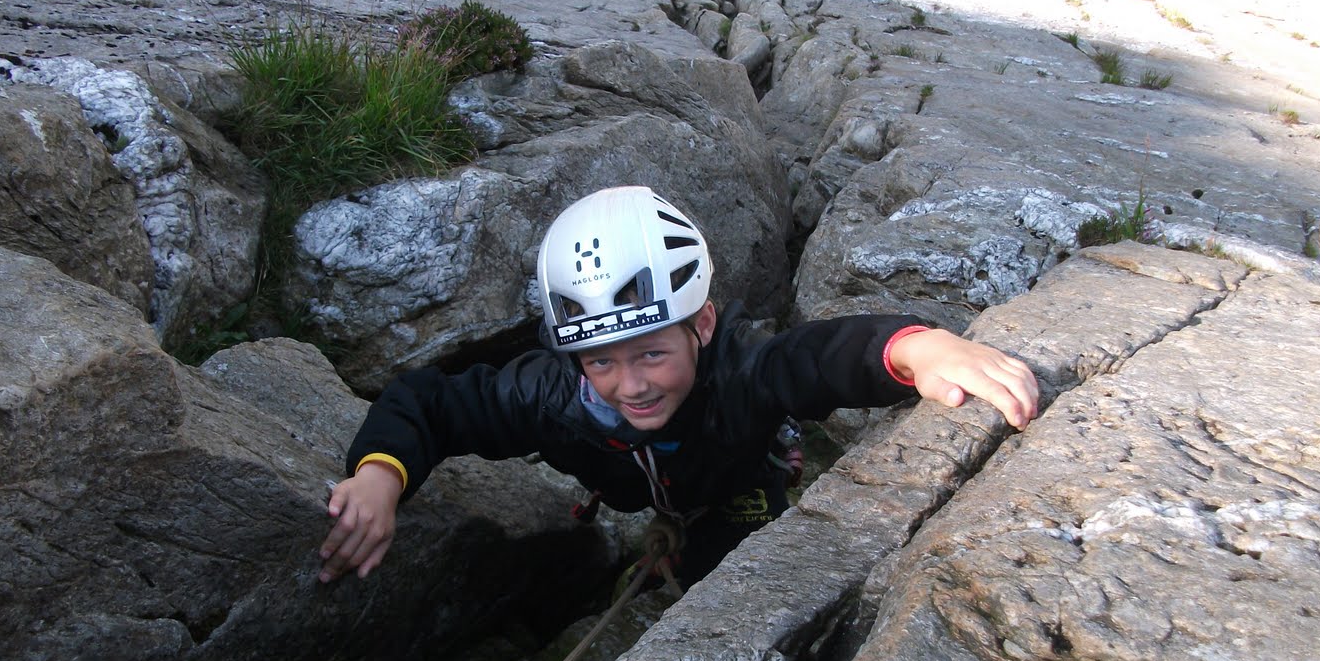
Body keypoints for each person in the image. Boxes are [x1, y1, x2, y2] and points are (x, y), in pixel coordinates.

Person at [320, 187, 1038, 586]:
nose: (629, 384)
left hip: (736, 485)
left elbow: (815, 358)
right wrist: (383, 474)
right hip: (638, 485)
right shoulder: (555, 395)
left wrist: (920, 348)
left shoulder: (739, 372)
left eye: (650, 354)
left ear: (703, 324)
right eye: (600, 361)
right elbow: (434, 403)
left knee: (724, 576)